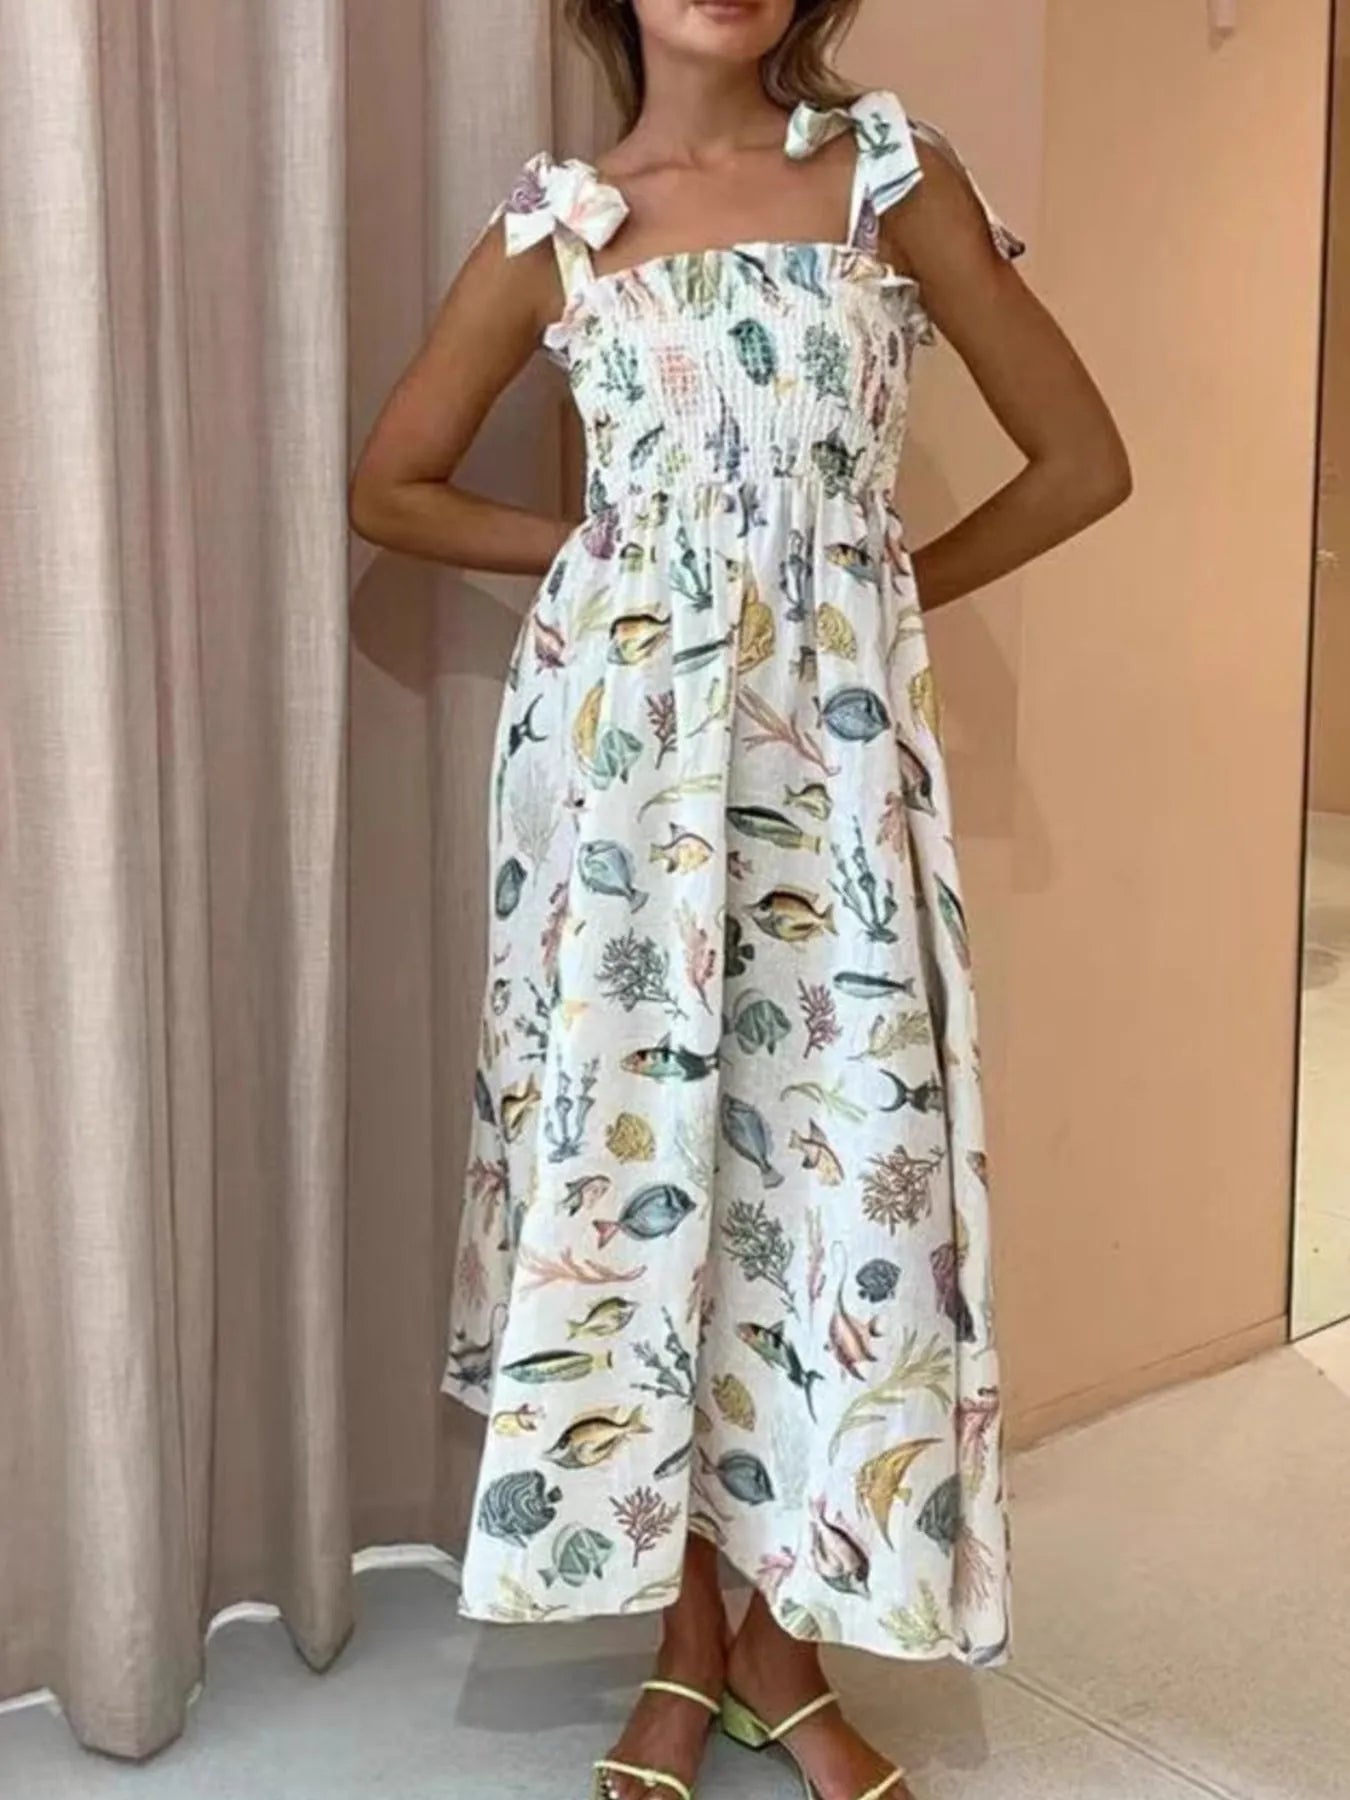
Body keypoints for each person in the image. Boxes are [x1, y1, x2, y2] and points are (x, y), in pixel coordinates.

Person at [349, 3, 1130, 1796]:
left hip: (828, 781)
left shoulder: (888, 180)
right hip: (623, 781)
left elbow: (1083, 463)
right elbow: (390, 487)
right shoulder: (558, 225)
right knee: (645, 1174)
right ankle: (699, 1650)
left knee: (820, 1177)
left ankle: (765, 1647)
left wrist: (864, 600)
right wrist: (606, 559)